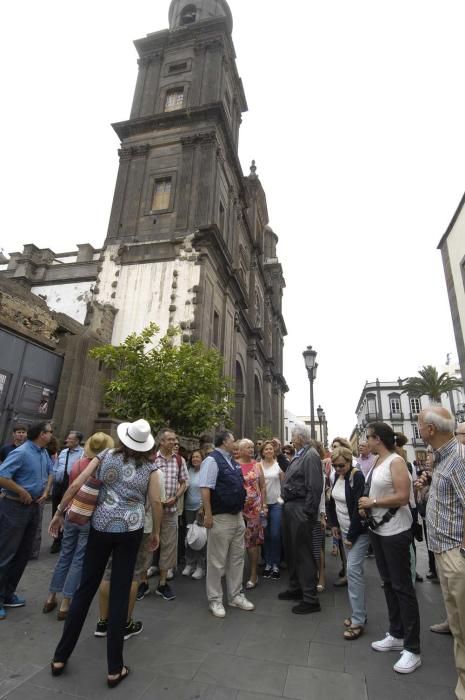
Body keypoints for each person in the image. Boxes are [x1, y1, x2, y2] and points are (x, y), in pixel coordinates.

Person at [49, 418, 162, 687]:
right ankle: (114, 668)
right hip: (130, 531)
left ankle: (60, 657)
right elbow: (156, 502)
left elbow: (76, 485)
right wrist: (156, 532)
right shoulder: (150, 467)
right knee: (120, 593)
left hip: (100, 527)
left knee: (85, 589)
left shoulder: (106, 455)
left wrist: (59, 512)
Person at [358, 422, 421, 674]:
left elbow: (403, 496)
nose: (366, 442)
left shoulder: (396, 462)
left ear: (378, 440)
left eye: (369, 438)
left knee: (402, 587)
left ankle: (413, 648)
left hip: (395, 531)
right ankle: (396, 634)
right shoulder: (377, 461)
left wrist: (372, 501)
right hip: (378, 530)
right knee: (387, 583)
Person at [416, 407, 465, 698]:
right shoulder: (442, 459)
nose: (418, 430)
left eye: (420, 425)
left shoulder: (458, 460)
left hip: (454, 554)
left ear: (431, 430)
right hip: (443, 550)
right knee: (457, 624)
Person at [43, 432, 114, 620]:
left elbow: (71, 487)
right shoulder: (104, 469)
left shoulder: (77, 464)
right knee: (79, 559)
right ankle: (66, 603)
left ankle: (51, 596)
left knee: (65, 554)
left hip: (71, 513)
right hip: (89, 518)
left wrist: (59, 512)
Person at [0, 420, 53, 619]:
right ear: (41, 434)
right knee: (6, 552)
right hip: (14, 506)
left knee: (23, 553)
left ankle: (8, 593)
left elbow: (50, 472)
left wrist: (46, 490)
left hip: (33, 508)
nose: (51, 435)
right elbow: (2, 476)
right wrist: (21, 490)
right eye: (49, 432)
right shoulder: (21, 452)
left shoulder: (43, 453)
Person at [199, 430, 254, 618]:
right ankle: (215, 599)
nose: (236, 443)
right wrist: (207, 513)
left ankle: (235, 595)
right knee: (216, 561)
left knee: (237, 558)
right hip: (220, 517)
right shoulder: (212, 460)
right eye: (233, 440)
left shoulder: (232, 461)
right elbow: (205, 487)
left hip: (237, 516)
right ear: (224, 442)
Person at [279, 424, 323, 615]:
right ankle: (296, 588)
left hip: (300, 508)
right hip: (291, 507)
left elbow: (314, 486)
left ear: (301, 438)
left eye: (294, 437)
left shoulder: (310, 455)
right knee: (292, 551)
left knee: (303, 553)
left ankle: (310, 598)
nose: (292, 440)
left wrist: (309, 512)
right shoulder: (300, 454)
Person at [327, 446, 368, 640]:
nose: (338, 469)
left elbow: (357, 508)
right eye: (335, 466)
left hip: (357, 532)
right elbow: (332, 502)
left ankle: (358, 619)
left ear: (349, 462)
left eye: (341, 465)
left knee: (353, 571)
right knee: (353, 573)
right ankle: (358, 614)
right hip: (343, 530)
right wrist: (333, 524)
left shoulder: (356, 476)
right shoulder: (337, 476)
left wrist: (350, 536)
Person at [152, 428, 189, 600]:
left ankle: (162, 582)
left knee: (168, 546)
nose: (174, 442)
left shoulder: (179, 460)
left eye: (175, 439)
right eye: (171, 440)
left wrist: (176, 496)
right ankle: (143, 581)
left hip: (171, 510)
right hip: (151, 511)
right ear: (161, 441)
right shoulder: (151, 459)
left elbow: (184, 482)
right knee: (147, 546)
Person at [237, 438, 266, 589]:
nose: (251, 450)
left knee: (252, 542)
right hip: (236, 509)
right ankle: (235, 575)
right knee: (236, 542)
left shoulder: (257, 465)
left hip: (254, 509)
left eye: (252, 447)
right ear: (240, 450)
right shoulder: (234, 464)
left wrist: (264, 505)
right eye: (247, 447)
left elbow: (262, 486)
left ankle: (253, 574)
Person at [50, 431, 84, 553]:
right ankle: (56, 540)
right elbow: (55, 468)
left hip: (70, 486)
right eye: (67, 438)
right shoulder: (63, 452)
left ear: (77, 441)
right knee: (56, 511)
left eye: (70, 439)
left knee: (66, 513)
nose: (67, 440)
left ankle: (64, 539)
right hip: (58, 485)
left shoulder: (82, 454)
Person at [257, 440, 284, 579]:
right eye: (266, 449)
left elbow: (284, 484)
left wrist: (281, 500)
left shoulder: (278, 465)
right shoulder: (258, 465)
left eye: (270, 449)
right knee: (265, 535)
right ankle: (268, 563)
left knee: (275, 534)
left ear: (274, 451)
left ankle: (276, 564)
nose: (268, 451)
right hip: (263, 505)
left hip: (276, 504)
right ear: (262, 452)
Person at [182, 449, 206, 580]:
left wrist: (203, 507)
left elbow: (206, 490)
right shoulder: (189, 470)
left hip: (200, 509)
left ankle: (200, 567)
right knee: (189, 537)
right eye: (193, 457)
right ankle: (189, 563)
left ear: (203, 459)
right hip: (188, 508)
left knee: (200, 538)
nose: (195, 459)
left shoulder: (205, 472)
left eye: (198, 457)